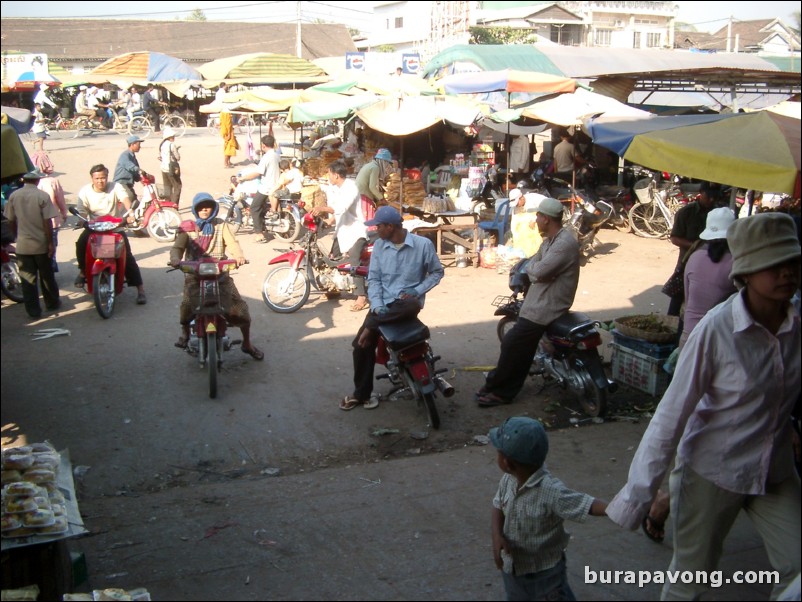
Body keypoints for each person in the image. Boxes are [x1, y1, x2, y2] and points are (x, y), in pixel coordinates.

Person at [606, 212, 801, 600]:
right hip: (713, 473)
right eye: (773, 265)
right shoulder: (716, 330)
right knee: (691, 581)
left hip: (774, 471)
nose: (786, 274)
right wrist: (638, 495)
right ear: (745, 271)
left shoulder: (798, 322)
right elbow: (670, 418)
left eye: (792, 262)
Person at [642, 207, 738, 545]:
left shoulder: (694, 258)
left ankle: (665, 501)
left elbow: (685, 295)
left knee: (687, 417)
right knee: (696, 428)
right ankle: (664, 502)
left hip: (688, 341)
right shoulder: (735, 266)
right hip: (714, 349)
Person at [489, 416, 607, 601]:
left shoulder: (551, 491)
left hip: (547, 574)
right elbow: (497, 505)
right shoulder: (508, 480)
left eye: (498, 452)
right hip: (514, 569)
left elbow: (586, 504)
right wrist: (497, 536)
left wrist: (617, 509)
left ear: (507, 463)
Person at [476, 197, 579, 407]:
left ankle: (503, 392)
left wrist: (533, 270)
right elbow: (535, 262)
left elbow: (537, 270)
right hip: (540, 299)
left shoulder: (564, 244)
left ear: (547, 219)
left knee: (514, 344)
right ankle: (495, 383)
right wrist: (533, 269)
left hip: (549, 305)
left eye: (539, 216)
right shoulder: (550, 240)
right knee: (517, 344)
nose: (536, 219)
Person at [340, 206, 444, 411]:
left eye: (378, 226)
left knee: (409, 304)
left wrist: (417, 290)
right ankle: (361, 394)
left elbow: (436, 273)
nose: (375, 229)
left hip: (406, 305)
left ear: (390, 226)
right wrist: (377, 307)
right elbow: (375, 279)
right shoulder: (379, 246)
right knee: (360, 346)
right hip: (383, 307)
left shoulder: (423, 245)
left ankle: (373, 326)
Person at [169, 192, 264, 361]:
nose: (205, 210)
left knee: (240, 309)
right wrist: (175, 259)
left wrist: (239, 256)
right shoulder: (187, 227)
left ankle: (247, 343)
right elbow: (177, 248)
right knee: (186, 305)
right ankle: (185, 332)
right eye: (201, 207)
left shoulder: (221, 225)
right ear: (195, 209)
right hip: (194, 275)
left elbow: (233, 243)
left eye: (208, 206)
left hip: (220, 274)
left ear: (214, 208)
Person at [75, 164, 147, 305]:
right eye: (97, 178)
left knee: (127, 257)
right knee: (81, 245)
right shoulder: (85, 191)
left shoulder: (116, 187)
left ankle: (140, 289)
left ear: (107, 177)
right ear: (92, 178)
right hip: (95, 227)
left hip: (115, 227)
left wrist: (130, 213)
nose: (100, 181)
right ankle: (83, 271)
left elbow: (125, 200)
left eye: (103, 177)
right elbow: (82, 210)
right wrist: (81, 220)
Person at [312, 159, 369, 312]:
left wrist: (322, 208)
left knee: (354, 260)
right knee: (331, 259)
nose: (328, 176)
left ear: (336, 175)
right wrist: (329, 220)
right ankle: (333, 289)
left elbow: (342, 207)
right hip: (342, 230)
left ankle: (361, 296)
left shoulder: (351, 187)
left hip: (356, 231)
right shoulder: (336, 188)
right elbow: (337, 211)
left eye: (329, 173)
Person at [3, 169, 61, 318]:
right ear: (37, 181)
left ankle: (33, 311)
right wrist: (50, 243)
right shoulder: (42, 196)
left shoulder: (14, 196)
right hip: (40, 244)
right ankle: (52, 303)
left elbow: (10, 220)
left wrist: (16, 235)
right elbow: (47, 222)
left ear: (23, 181)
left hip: (23, 245)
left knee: (28, 280)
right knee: (46, 276)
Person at [666, 181, 716, 320]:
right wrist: (696, 246)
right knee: (677, 299)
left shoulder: (717, 212)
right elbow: (675, 238)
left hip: (712, 262)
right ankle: (671, 323)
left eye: (714, 197)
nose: (711, 200)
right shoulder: (686, 212)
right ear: (701, 193)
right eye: (708, 196)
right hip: (687, 261)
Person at [237, 134, 279, 243]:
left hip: (267, 187)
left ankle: (259, 233)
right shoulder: (276, 154)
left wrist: (244, 178)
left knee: (254, 208)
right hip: (276, 184)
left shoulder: (266, 157)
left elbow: (257, 173)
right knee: (262, 207)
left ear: (263, 145)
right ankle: (264, 226)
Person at [113, 135, 144, 203]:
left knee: (136, 201)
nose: (140, 147)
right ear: (132, 144)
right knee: (130, 197)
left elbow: (136, 173)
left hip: (128, 184)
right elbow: (130, 166)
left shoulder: (133, 157)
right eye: (138, 144)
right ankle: (125, 213)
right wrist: (140, 170)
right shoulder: (125, 155)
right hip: (121, 183)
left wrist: (142, 177)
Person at [158, 127, 182, 206]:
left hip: (163, 168)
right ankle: (174, 204)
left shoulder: (162, 145)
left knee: (167, 187)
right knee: (177, 186)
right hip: (171, 169)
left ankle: (167, 204)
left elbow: (160, 156)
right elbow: (177, 157)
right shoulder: (172, 145)